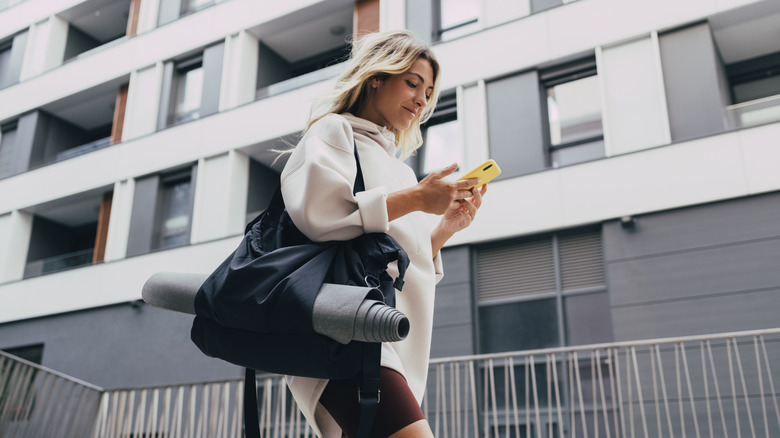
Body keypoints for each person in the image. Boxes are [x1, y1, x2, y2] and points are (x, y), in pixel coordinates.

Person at [279, 30, 488, 438]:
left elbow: (394, 264)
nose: (421, 100)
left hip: (381, 337)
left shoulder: (400, 168)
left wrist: (444, 227)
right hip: (344, 335)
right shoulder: (334, 131)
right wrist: (416, 200)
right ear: (377, 77)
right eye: (412, 83)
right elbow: (321, 214)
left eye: (428, 92)